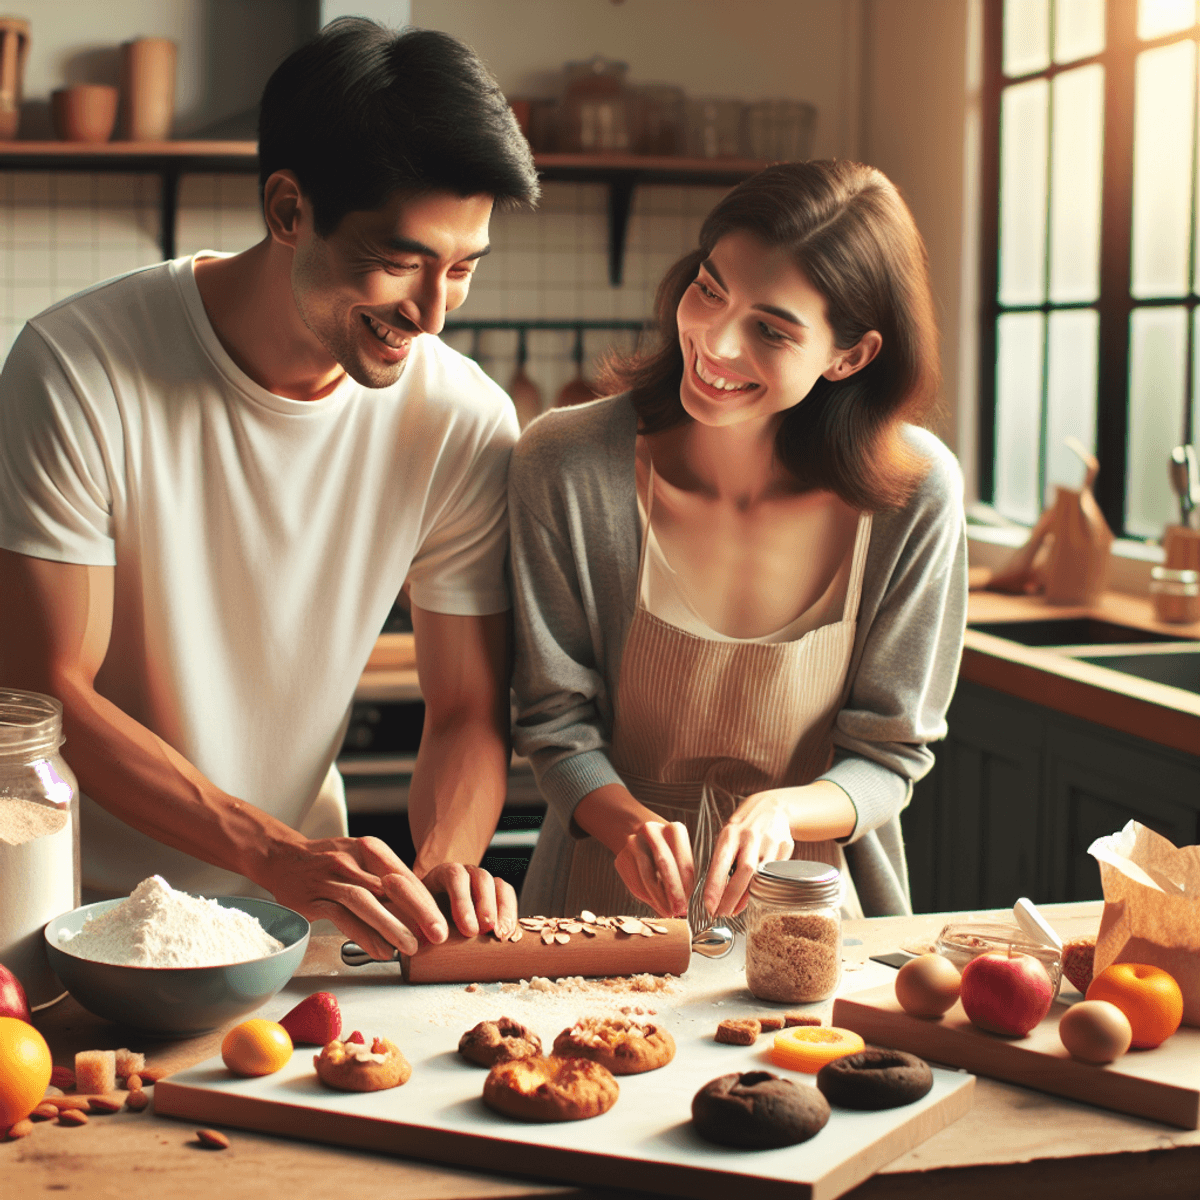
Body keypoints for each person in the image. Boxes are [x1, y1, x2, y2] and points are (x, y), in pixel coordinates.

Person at [0, 19, 540, 960]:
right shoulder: (76, 368)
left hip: (297, 924)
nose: (432, 312)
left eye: (461, 269)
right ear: (289, 210)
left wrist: (443, 869)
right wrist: (271, 849)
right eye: (401, 260)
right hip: (66, 917)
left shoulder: (462, 419)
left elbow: (462, 711)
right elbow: (48, 693)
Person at [509, 160, 966, 925]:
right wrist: (629, 826)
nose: (713, 341)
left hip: (818, 918)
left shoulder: (915, 493)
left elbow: (890, 758)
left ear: (848, 357)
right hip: (597, 910)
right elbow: (554, 726)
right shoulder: (564, 462)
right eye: (710, 288)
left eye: (771, 329)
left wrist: (783, 813)